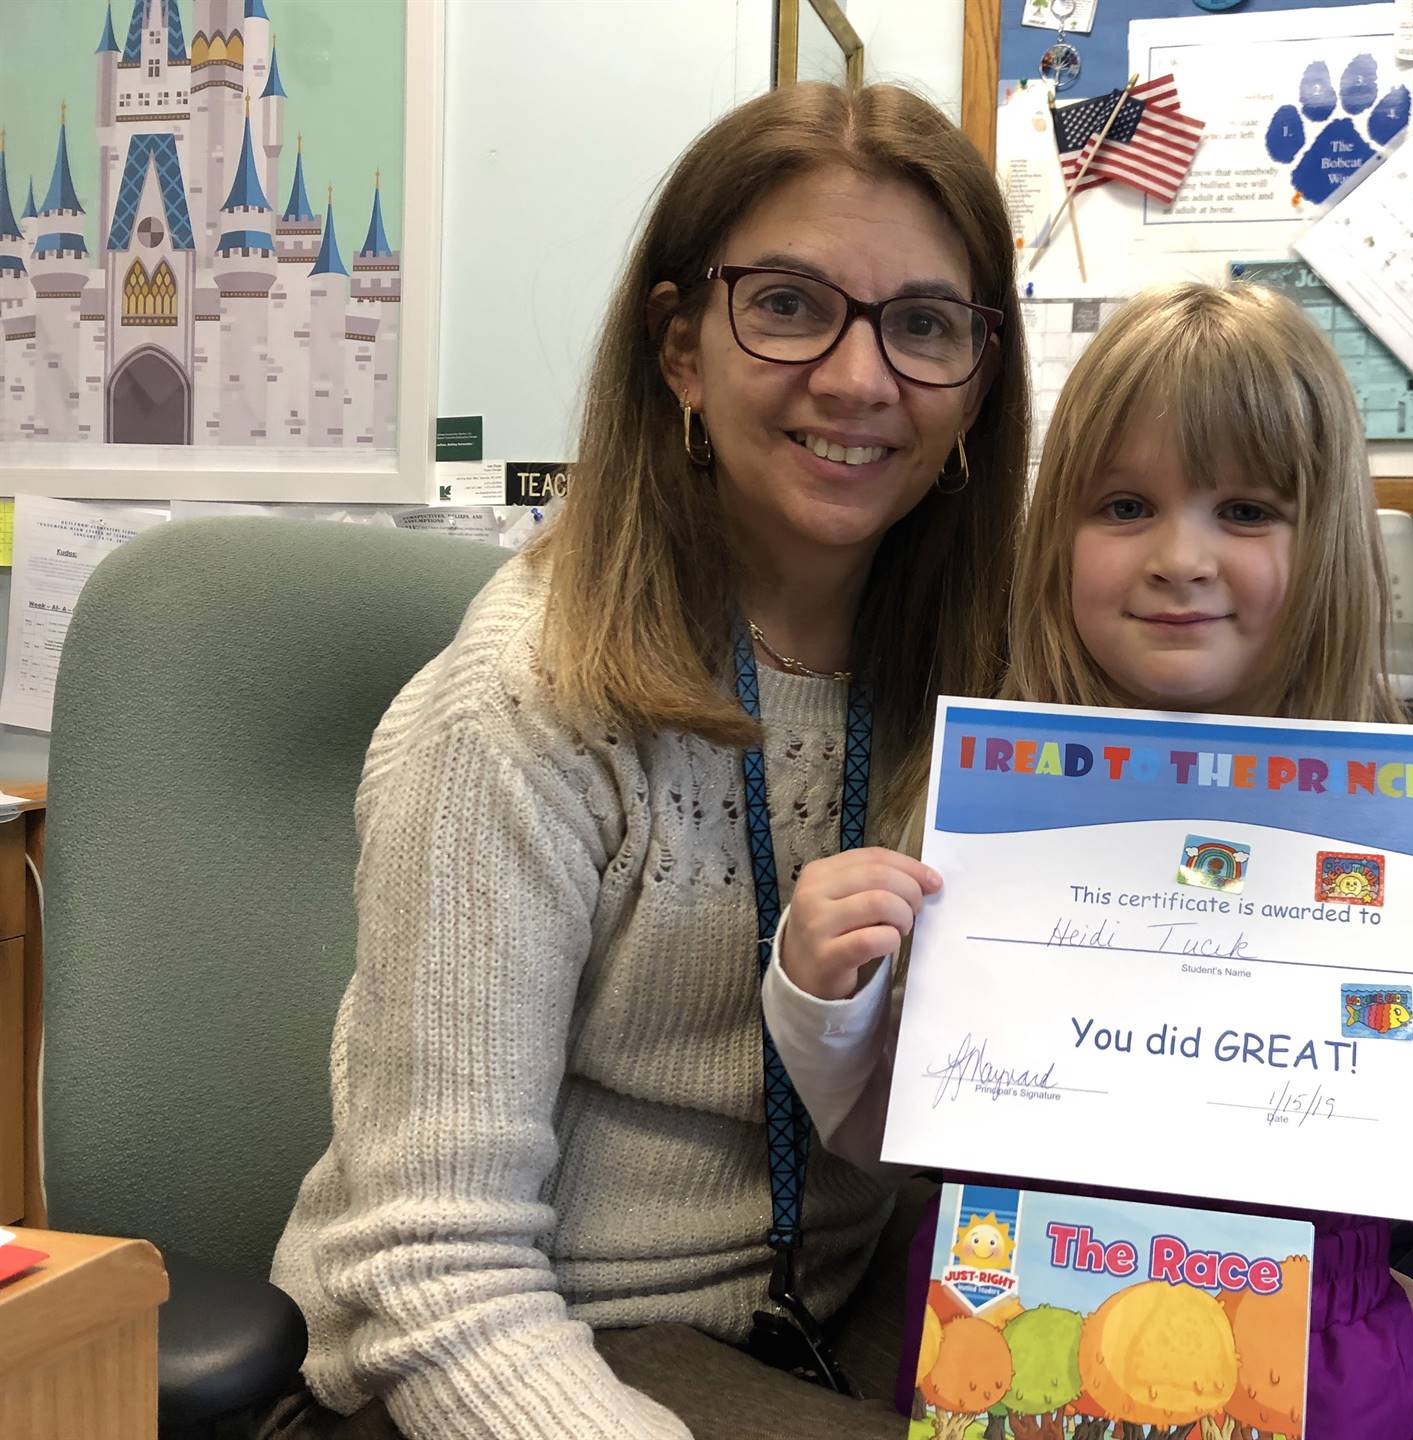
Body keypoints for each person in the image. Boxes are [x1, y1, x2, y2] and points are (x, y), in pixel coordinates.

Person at [765, 283, 1413, 1439]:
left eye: (1245, 510)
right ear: (1056, 535)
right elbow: (892, 1137)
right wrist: (826, 988)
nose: (1181, 559)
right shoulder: (986, 805)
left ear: (1327, 536)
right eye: (1125, 504)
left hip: (1323, 1380)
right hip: (1011, 1344)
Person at [257, 82, 1029, 1440]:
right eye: (788, 304)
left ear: (977, 376)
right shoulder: (519, 709)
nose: (859, 379)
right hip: (521, 1358)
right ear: (679, 349)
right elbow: (432, 1275)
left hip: (827, 1328)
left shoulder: (994, 695)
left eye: (922, 326)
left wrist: (1343, 1299)